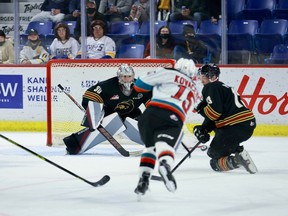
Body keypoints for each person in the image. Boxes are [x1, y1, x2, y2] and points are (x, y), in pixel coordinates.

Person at [133, 58, 199, 197]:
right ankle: (165, 164)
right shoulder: (196, 89)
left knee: (150, 148)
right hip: (173, 117)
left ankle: (143, 179)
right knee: (165, 145)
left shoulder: (168, 72)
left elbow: (139, 85)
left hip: (149, 115)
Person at [63, 64, 152, 155]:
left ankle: (157, 143)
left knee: (143, 128)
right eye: (124, 76)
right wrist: (94, 115)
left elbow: (153, 102)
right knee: (107, 125)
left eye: (129, 76)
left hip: (132, 114)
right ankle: (73, 145)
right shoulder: (108, 85)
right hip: (110, 114)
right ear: (119, 77)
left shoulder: (140, 87)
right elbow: (91, 95)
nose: (127, 79)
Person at [193, 63, 258, 174]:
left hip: (234, 127)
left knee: (213, 156)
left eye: (204, 76)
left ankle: (238, 159)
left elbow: (214, 114)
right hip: (246, 126)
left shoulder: (210, 87)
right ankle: (238, 152)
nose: (201, 79)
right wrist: (204, 128)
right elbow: (219, 115)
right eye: (201, 76)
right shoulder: (223, 87)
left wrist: (202, 110)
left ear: (213, 77)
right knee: (219, 139)